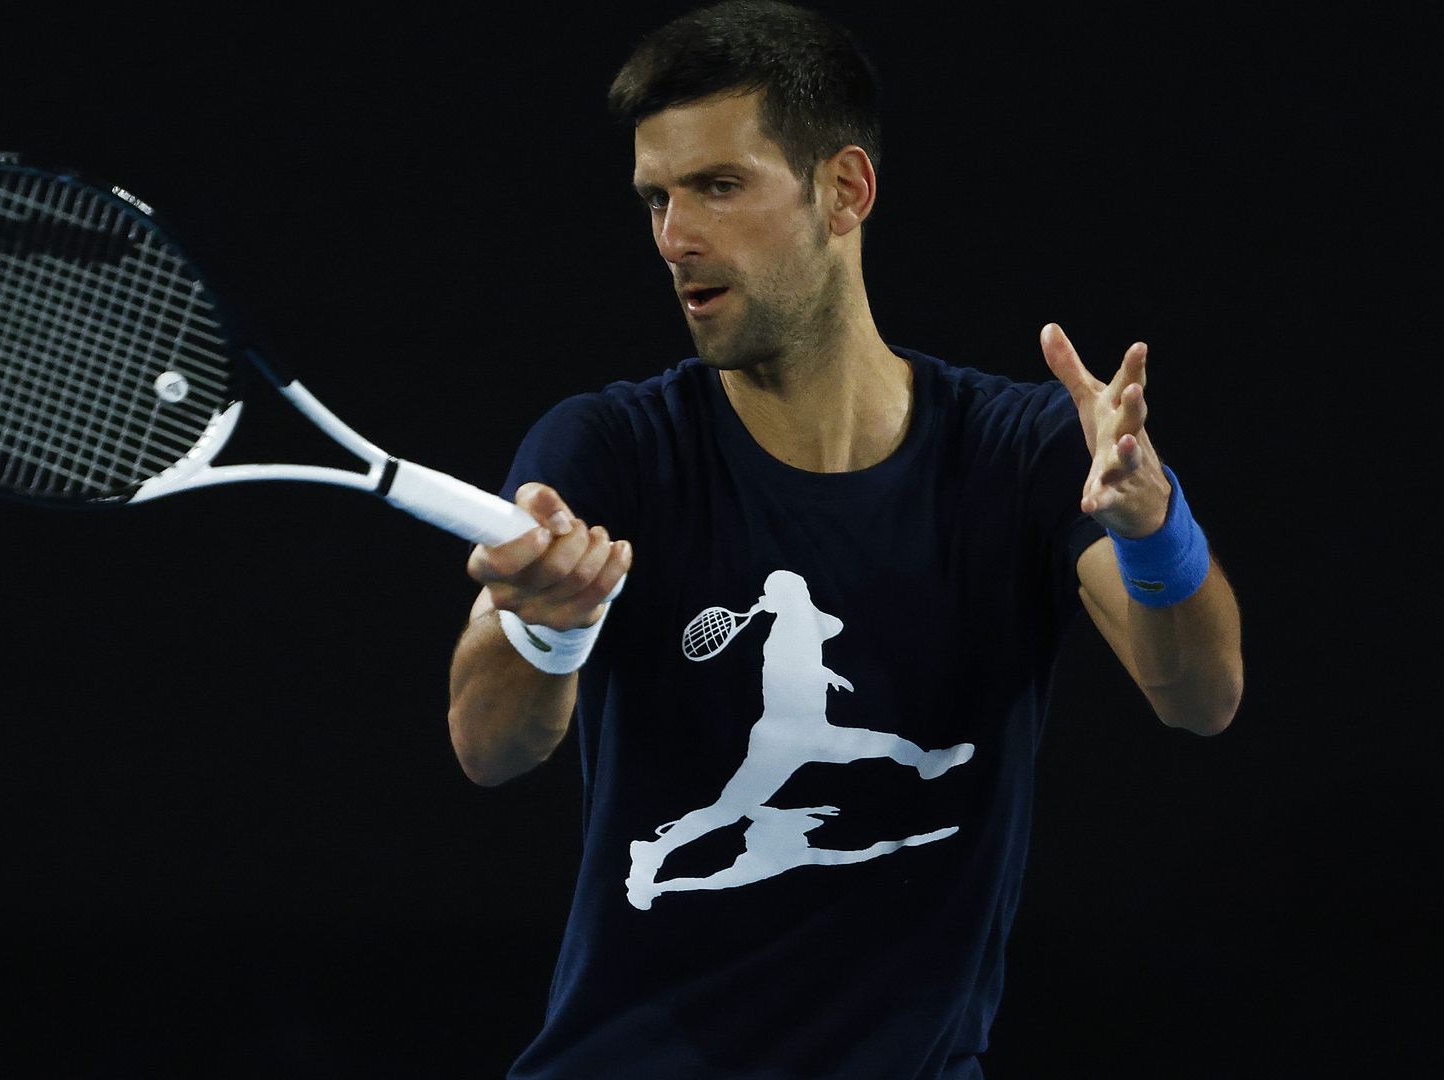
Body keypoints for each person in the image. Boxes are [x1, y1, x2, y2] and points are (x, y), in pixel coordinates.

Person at [444, 2, 1245, 1076]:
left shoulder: (1023, 453)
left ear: (845, 191)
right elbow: (489, 747)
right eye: (656, 198)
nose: (675, 236)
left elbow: (1201, 697)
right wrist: (547, 633)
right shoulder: (608, 450)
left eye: (720, 187)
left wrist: (1153, 527)